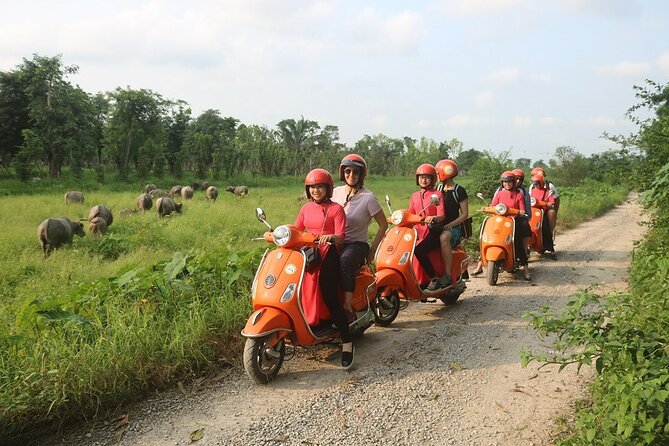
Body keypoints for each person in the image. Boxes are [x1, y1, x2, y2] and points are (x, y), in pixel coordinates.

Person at [294, 168, 354, 370]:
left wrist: (331, 238)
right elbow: (297, 230)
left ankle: (347, 342)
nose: (315, 191)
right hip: (309, 253)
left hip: (329, 253)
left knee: (328, 294)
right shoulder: (305, 209)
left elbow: (341, 236)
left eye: (319, 186)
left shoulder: (336, 209)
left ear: (328, 188)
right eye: (312, 187)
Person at [331, 154, 388, 312]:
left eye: (356, 172)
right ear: (342, 173)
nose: (351, 175)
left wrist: (372, 251)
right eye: (348, 171)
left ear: (361, 175)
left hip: (356, 244)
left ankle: (347, 305)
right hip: (336, 241)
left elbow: (383, 225)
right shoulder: (335, 193)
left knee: (346, 260)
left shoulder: (368, 198)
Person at [473, 171, 530, 280]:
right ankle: (480, 265)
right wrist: (487, 208)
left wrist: (519, 212)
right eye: (504, 182)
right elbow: (493, 206)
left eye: (509, 182)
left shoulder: (519, 195)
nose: (507, 184)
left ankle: (526, 268)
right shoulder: (499, 194)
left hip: (512, 221)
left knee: (515, 241)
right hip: (498, 220)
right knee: (486, 235)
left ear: (514, 182)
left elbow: (522, 210)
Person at [408, 163, 449, 291]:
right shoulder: (415, 196)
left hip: (433, 230)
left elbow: (442, 215)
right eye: (421, 177)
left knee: (419, 250)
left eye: (426, 177)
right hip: (417, 231)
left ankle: (433, 279)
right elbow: (410, 213)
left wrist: (433, 218)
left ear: (432, 179)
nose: (423, 180)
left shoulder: (437, 195)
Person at [435, 159, 469, 286]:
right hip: (439, 225)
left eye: (438, 173)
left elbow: (465, 214)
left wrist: (449, 226)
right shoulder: (438, 188)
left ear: (445, 173)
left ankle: (447, 275)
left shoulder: (459, 190)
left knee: (444, 238)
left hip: (453, 229)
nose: (436, 176)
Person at [530, 173, 557, 260]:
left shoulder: (548, 191)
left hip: (543, 213)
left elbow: (552, 203)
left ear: (541, 183)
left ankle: (551, 250)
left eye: (537, 184)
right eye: (534, 184)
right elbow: (530, 200)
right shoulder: (533, 191)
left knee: (545, 228)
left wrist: (548, 204)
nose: (536, 186)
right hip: (533, 212)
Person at [530, 167, 559, 235]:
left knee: (552, 213)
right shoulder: (532, 187)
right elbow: (531, 198)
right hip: (535, 208)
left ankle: (550, 232)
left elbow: (556, 199)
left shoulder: (550, 186)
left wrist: (554, 209)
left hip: (546, 208)